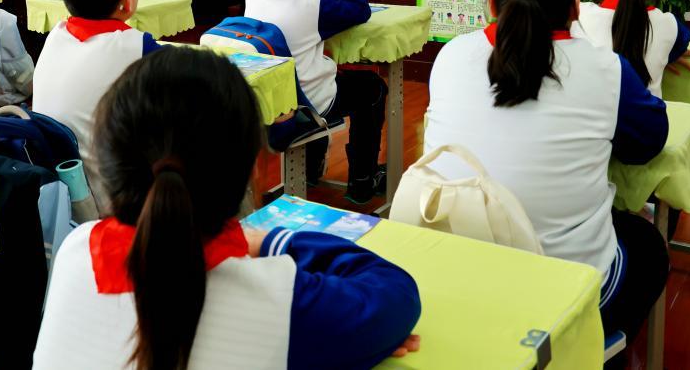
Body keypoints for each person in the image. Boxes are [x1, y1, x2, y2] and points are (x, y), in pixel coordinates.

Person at [33, 46, 422, 370]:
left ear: (108, 162)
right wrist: (271, 243)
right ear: (252, 168)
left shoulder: (75, 252)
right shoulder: (278, 300)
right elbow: (396, 295)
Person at [423, 0, 669, 340]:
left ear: (490, 4)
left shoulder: (451, 56)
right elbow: (649, 143)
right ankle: (588, 353)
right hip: (560, 296)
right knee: (646, 244)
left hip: (449, 278)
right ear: (575, 8)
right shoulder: (607, 69)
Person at [243, 0, 387, 204]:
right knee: (373, 88)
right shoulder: (311, 0)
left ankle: (309, 171)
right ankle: (362, 181)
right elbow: (360, 9)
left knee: (318, 72)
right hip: (306, 102)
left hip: (269, 99)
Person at [32, 0, 160, 213]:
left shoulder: (57, 35)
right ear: (127, 2)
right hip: (110, 199)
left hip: (56, 190)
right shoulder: (136, 47)